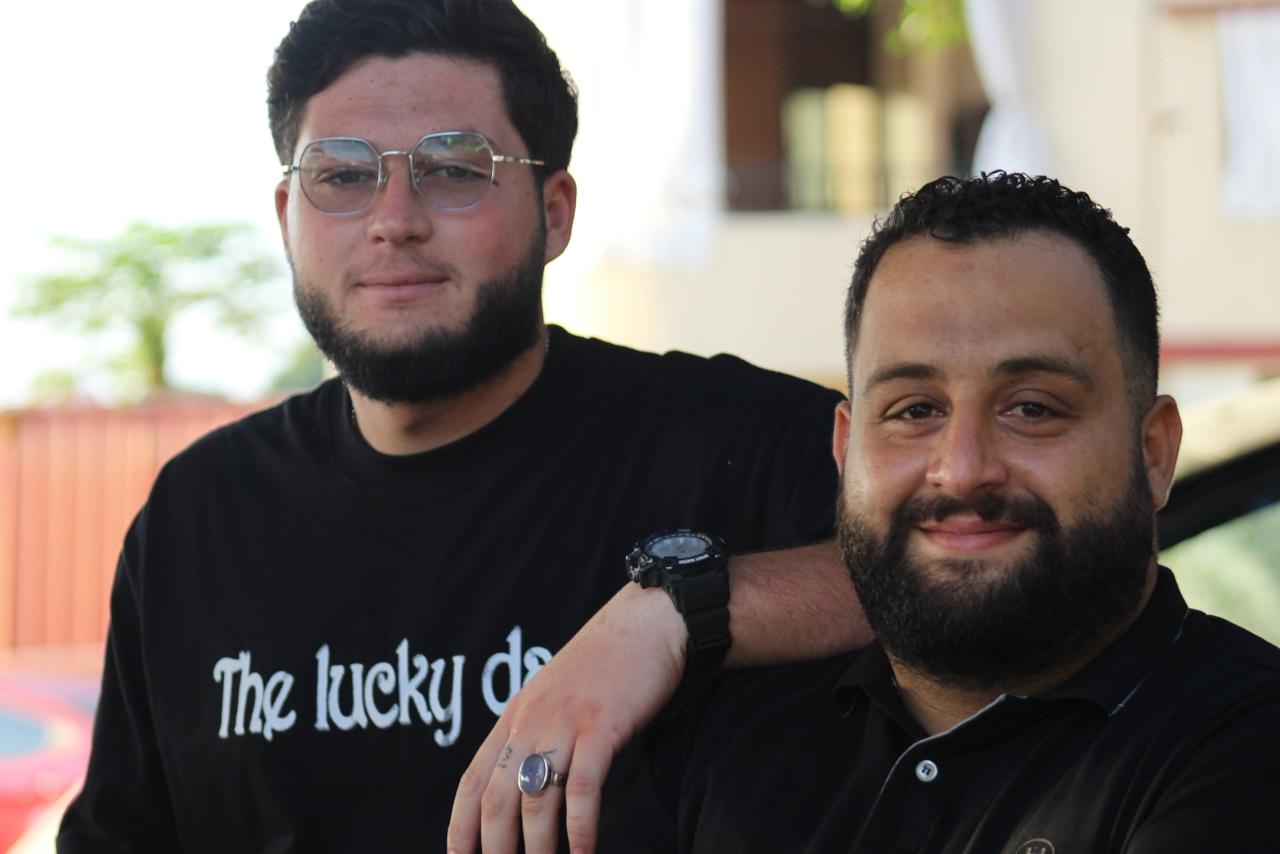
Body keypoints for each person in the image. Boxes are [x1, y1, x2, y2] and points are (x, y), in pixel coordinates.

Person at [56, 1, 869, 852]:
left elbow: (949, 579)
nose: (394, 218)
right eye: (342, 175)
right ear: (286, 214)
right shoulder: (196, 517)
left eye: (453, 168)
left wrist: (676, 615)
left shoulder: (739, 444)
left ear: (555, 212)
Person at [599, 172, 1280, 852]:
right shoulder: (724, 737)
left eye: (1032, 408)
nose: (962, 468)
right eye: (914, 410)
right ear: (846, 451)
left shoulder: (1247, 741)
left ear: (1154, 452)